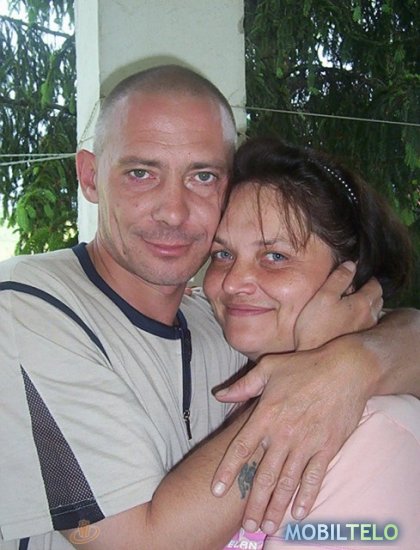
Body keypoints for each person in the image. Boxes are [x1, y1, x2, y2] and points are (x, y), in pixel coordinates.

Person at [0, 65, 419, 550]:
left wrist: (351, 360)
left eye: (202, 176)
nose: (173, 211)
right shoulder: (28, 311)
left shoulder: (223, 324)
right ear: (90, 177)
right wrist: (309, 380)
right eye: (141, 173)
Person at [203, 136, 420, 549]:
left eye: (275, 257)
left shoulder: (376, 437)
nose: (232, 283)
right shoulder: (236, 382)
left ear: (351, 279)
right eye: (223, 254)